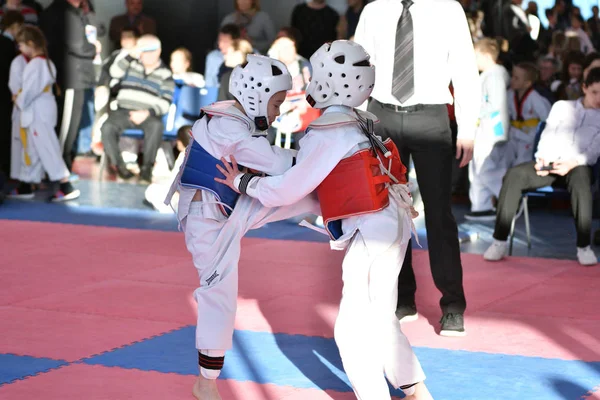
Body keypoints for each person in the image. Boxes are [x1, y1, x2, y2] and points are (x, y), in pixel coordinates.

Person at [215, 40, 432, 400]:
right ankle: (414, 389)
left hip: (372, 230)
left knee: (351, 328)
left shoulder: (330, 129)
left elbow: (290, 188)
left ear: (330, 81)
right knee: (380, 314)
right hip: (392, 223)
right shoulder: (361, 121)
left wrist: (243, 181)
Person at [163, 54, 319, 400]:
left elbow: (279, 168)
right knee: (219, 293)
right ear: (257, 95)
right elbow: (275, 162)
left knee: (309, 194)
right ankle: (205, 382)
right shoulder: (226, 126)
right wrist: (320, 152)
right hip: (208, 218)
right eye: (276, 103)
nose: (277, 112)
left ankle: (347, 221)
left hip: (234, 205)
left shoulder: (233, 117)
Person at [354, 0, 480, 336]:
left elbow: (465, 68)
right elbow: (357, 67)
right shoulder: (375, 9)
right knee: (389, 212)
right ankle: (402, 298)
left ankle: (452, 305)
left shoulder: (448, 8)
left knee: (439, 215)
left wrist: (467, 127)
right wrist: (354, 121)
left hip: (431, 116)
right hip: (381, 115)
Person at [484, 67, 600, 266]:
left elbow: (594, 151)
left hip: (577, 165)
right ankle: (499, 241)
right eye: (595, 92)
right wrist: (543, 159)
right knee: (514, 175)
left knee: (581, 179)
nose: (599, 98)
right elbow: (547, 134)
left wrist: (572, 162)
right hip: (549, 163)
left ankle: (583, 246)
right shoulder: (562, 107)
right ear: (584, 87)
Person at [7, 25, 79, 201]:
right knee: (33, 149)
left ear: (30, 43)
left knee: (47, 147)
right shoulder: (43, 62)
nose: (20, 49)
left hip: (38, 111)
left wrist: (17, 98)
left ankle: (65, 185)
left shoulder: (37, 64)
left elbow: (29, 92)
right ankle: (26, 184)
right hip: (40, 109)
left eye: (22, 45)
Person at [465, 38, 510, 221]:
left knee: (486, 169)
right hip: (483, 129)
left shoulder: (495, 75)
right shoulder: (489, 75)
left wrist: (472, 112)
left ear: (485, 55)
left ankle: (509, 200)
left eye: (475, 56)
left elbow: (495, 104)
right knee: (477, 168)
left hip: (492, 130)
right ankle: (481, 207)